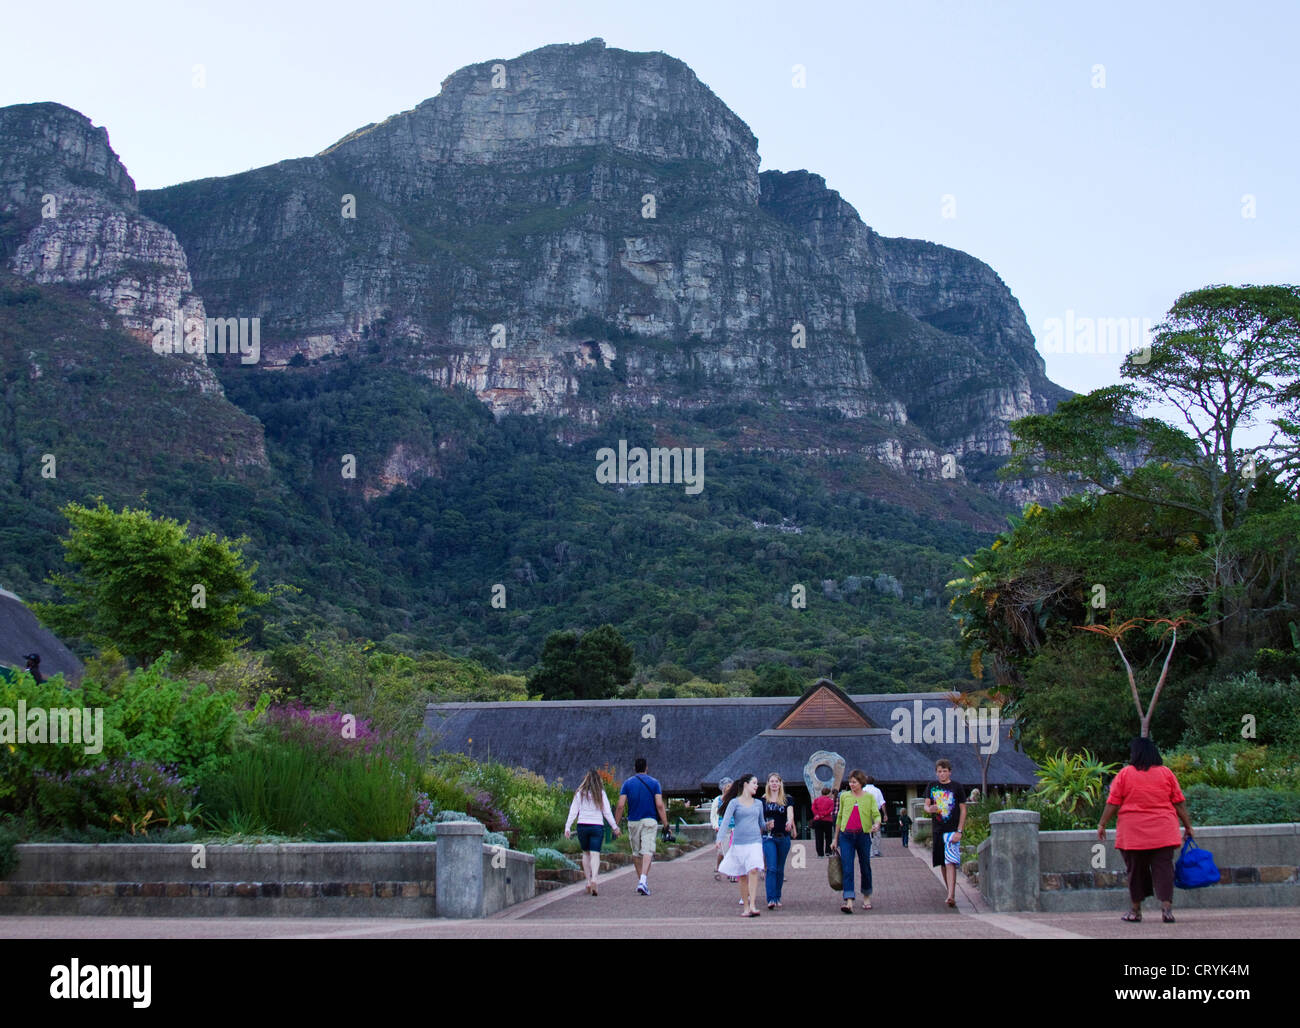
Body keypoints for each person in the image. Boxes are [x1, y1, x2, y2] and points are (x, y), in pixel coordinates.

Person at [1098, 736, 1195, 924]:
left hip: (1133, 833)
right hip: (1163, 831)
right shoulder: (1166, 773)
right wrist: (1188, 826)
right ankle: (1166, 909)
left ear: (1135, 754)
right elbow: (1179, 803)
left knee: (1135, 871)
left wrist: (1102, 824)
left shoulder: (1125, 774)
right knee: (1165, 869)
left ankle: (1135, 911)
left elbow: (1113, 803)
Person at [614, 756, 669, 896]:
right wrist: (665, 823)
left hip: (633, 821)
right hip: (649, 819)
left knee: (636, 853)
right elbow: (659, 805)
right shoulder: (654, 783)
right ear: (646, 768)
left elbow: (620, 805)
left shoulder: (627, 784)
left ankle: (642, 881)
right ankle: (643, 881)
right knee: (648, 850)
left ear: (634, 768)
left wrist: (616, 824)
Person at [714, 773, 766, 917]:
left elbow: (762, 823)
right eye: (754, 783)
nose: (756, 786)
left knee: (754, 870)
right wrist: (719, 838)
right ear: (745, 784)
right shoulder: (734, 803)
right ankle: (746, 906)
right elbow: (725, 821)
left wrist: (768, 825)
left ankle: (753, 905)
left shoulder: (759, 803)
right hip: (739, 842)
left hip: (755, 841)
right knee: (742, 875)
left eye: (757, 783)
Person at [564, 768, 621, 896]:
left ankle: (588, 881)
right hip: (596, 826)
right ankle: (595, 878)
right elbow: (607, 812)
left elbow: (573, 811)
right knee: (595, 854)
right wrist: (615, 827)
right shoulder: (600, 793)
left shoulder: (580, 793)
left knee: (585, 853)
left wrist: (567, 827)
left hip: (582, 825)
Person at [831, 769, 880, 913]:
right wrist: (835, 838)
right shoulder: (845, 796)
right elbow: (839, 817)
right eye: (851, 782)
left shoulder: (869, 797)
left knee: (865, 866)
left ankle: (866, 895)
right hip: (846, 836)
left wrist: (877, 823)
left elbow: (876, 814)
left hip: (863, 835)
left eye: (855, 782)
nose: (852, 784)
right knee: (847, 867)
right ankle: (849, 899)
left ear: (861, 783)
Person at [925, 759, 967, 908]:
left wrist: (959, 830)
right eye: (939, 771)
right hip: (938, 829)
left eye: (944, 771)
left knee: (950, 862)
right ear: (936, 772)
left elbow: (963, 809)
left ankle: (951, 895)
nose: (942, 774)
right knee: (942, 862)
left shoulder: (957, 787)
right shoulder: (932, 786)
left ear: (950, 771)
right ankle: (949, 890)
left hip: (952, 830)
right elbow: (927, 804)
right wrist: (929, 809)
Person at [760, 772, 795, 909]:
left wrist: (789, 821)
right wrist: (764, 825)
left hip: (783, 837)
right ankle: (771, 898)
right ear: (768, 784)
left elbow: (790, 813)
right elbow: (760, 818)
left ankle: (777, 896)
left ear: (780, 783)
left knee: (780, 869)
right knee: (772, 868)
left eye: (776, 781)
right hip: (769, 837)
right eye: (772, 781)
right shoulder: (763, 801)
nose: (774, 784)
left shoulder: (787, 799)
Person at [710, 777, 735, 881]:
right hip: (722, 829)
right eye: (727, 787)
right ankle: (719, 867)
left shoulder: (734, 800)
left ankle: (731, 872)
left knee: (731, 850)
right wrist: (716, 825)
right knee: (723, 851)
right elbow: (713, 815)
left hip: (733, 828)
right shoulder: (718, 800)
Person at [864, 776, 887, 856]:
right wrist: (885, 814)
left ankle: (869, 852)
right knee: (877, 832)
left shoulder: (863, 790)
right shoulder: (877, 790)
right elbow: (882, 803)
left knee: (867, 832)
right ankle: (876, 850)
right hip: (876, 812)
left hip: (865, 813)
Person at [811, 786, 835, 857]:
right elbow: (830, 810)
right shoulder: (831, 801)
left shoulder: (816, 800)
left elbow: (813, 808)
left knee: (818, 837)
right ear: (828, 793)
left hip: (818, 820)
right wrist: (823, 815)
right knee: (828, 837)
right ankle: (828, 851)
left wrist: (818, 814)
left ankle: (820, 853)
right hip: (827, 820)